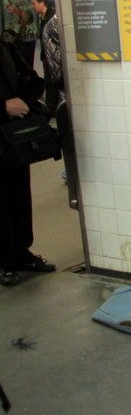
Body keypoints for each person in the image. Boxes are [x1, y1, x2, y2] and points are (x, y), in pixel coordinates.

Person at [0, 40, 56, 287]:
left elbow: (33, 80)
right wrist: (3, 107)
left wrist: (21, 100)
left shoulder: (5, 44)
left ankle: (22, 253)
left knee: (20, 196)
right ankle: (5, 262)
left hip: (14, 138)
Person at [30, 0, 63, 117]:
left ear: (42, 3)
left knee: (52, 84)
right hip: (47, 57)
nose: (32, 6)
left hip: (53, 58)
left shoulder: (52, 19)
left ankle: (52, 111)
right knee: (50, 84)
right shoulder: (44, 18)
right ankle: (52, 110)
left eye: (34, 3)